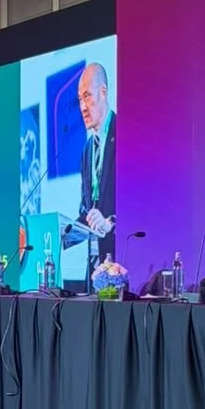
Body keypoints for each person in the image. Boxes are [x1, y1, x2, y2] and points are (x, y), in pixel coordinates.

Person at [77, 62, 116, 268]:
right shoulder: (86, 151)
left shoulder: (124, 134)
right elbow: (85, 208)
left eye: (87, 96)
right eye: (80, 99)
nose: (83, 107)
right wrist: (64, 232)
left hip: (122, 258)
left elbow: (141, 201)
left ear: (103, 92)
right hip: (95, 264)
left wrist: (110, 222)